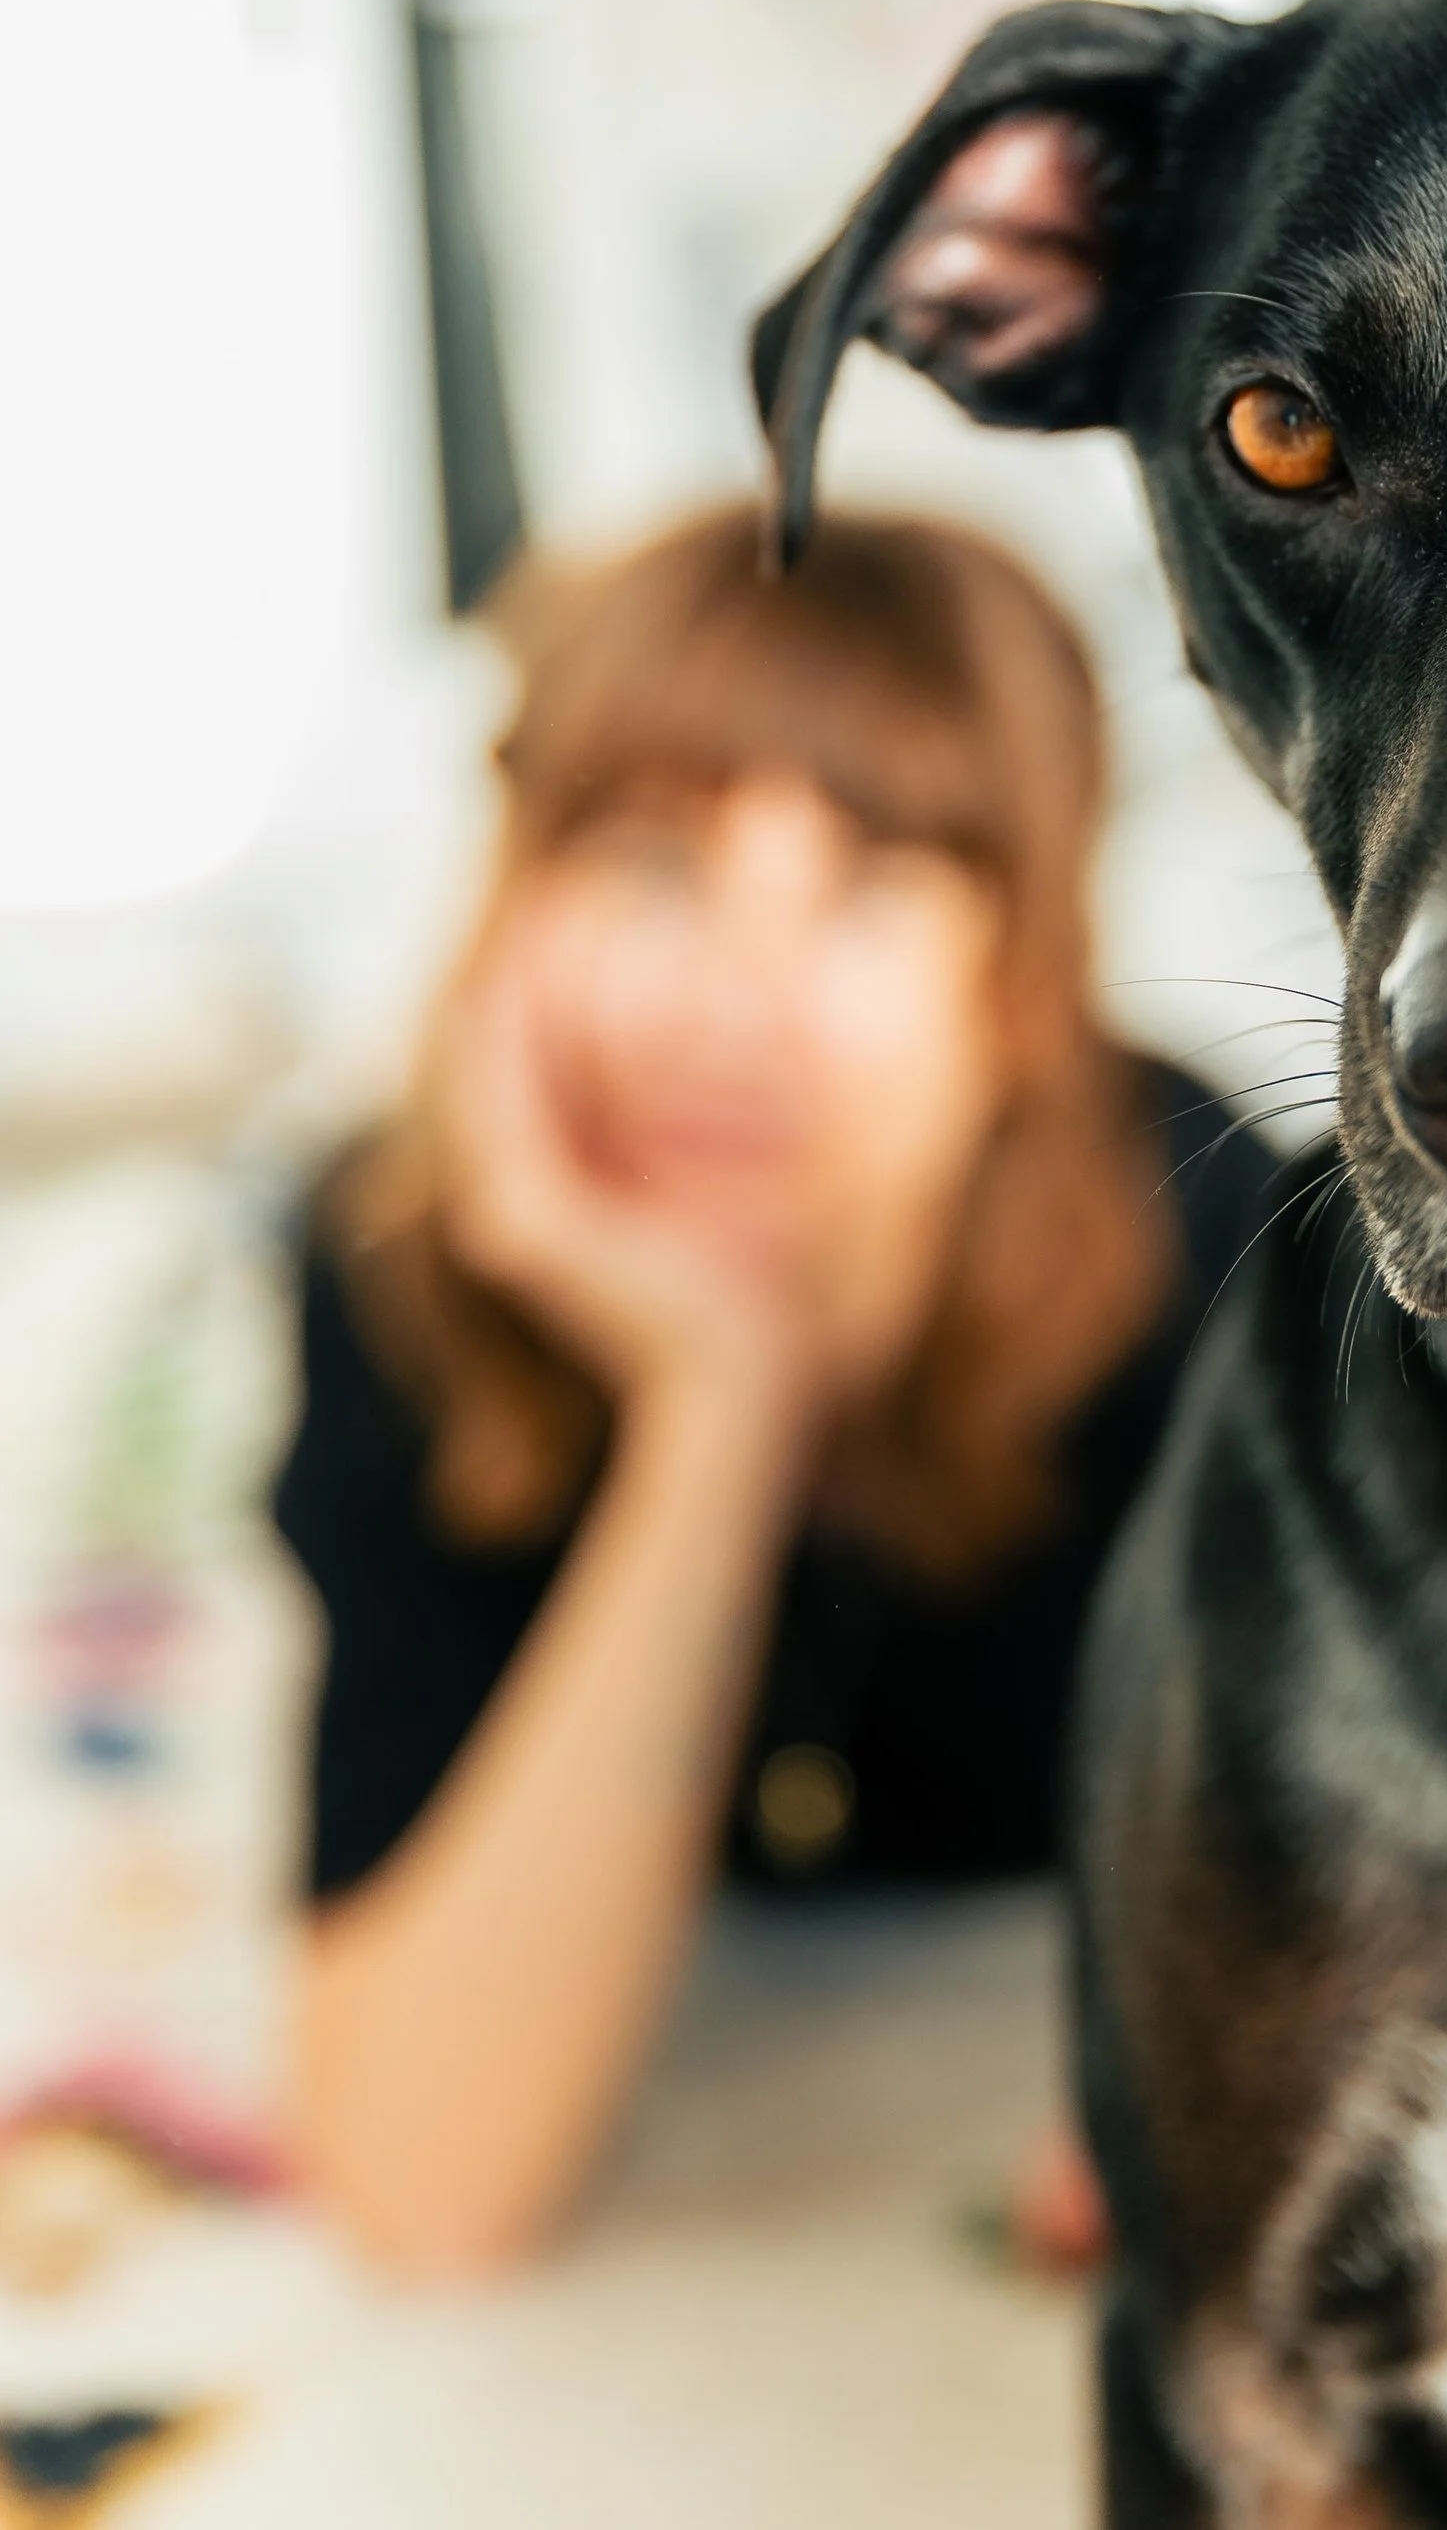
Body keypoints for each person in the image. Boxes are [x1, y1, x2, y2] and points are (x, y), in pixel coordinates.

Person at [275, 506, 1269, 2274]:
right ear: (514, 904)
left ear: (1018, 979)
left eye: (872, 886)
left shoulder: (1215, 1260)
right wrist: (718, 1413)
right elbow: (427, 2185)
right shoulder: (400, 1274)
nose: (737, 1002)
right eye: (653, 867)